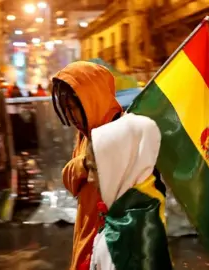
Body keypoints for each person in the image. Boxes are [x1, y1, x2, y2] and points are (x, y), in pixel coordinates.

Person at [51, 61, 123, 270]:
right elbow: (70, 181)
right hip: (86, 232)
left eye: (74, 108)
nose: (72, 117)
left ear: (92, 99)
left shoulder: (123, 133)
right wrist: (84, 163)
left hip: (109, 244)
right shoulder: (85, 135)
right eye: (67, 110)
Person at [88, 113, 172, 270]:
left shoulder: (120, 242)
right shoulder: (148, 209)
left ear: (117, 166)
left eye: (94, 168)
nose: (90, 178)